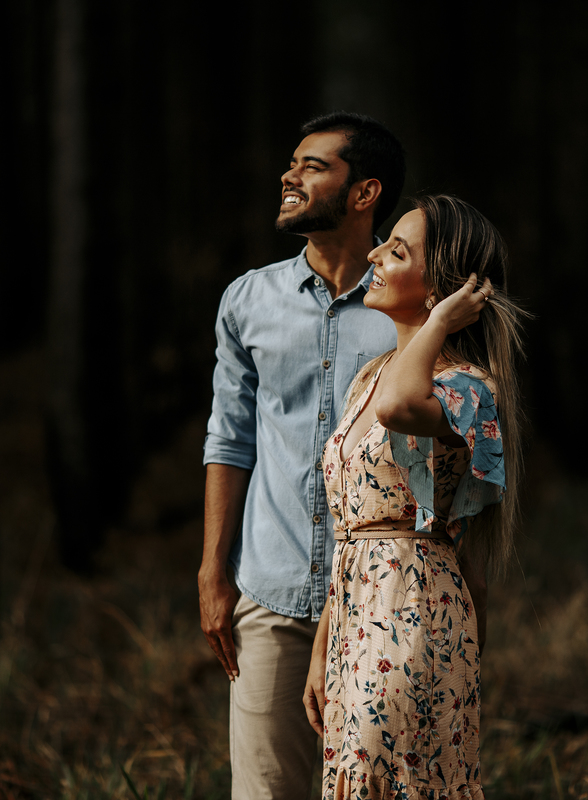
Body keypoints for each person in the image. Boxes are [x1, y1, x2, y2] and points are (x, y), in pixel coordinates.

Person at [200, 112, 406, 799]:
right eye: (292, 164)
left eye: (313, 167)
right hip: (272, 594)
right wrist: (212, 571)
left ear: (364, 192)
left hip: (383, 601)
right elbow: (228, 439)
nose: (289, 176)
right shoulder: (248, 300)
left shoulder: (407, 307)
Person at [303, 194, 527, 800]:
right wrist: (324, 646)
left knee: (401, 779)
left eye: (396, 251)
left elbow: (399, 408)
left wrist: (436, 326)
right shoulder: (368, 376)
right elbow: (352, 524)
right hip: (354, 615)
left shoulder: (467, 388)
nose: (373, 253)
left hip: (413, 611)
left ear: (443, 291)